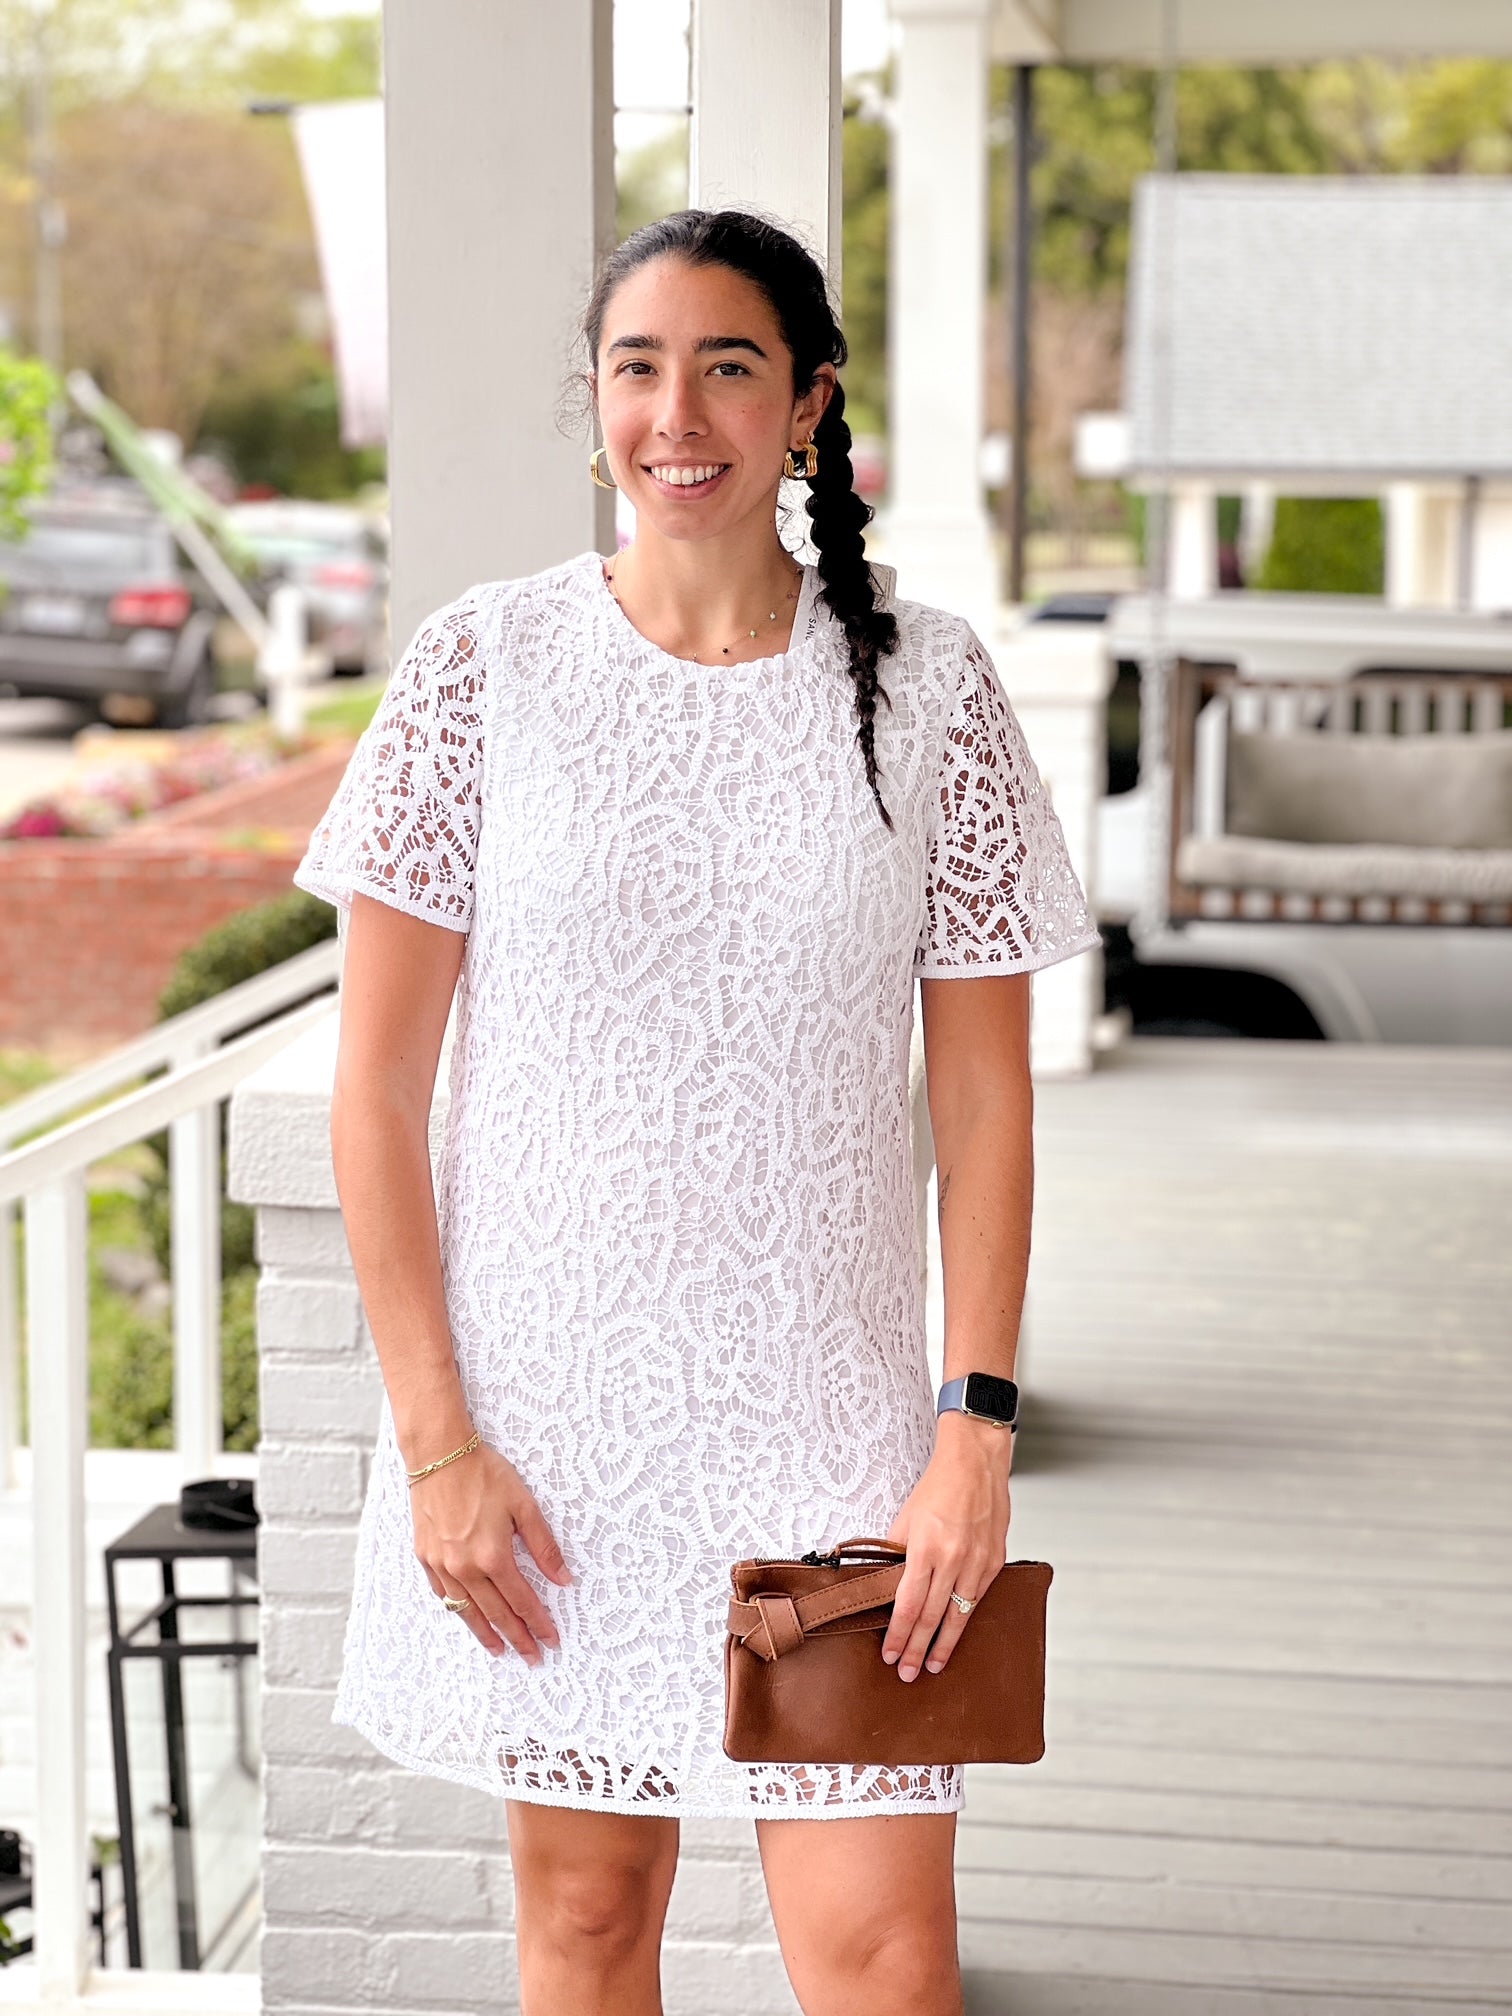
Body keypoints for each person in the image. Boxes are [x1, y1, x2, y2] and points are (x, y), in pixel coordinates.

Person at [292, 207, 1099, 2016]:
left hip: (835, 1425)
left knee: (887, 1958)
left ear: (807, 404)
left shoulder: (932, 687)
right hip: (547, 1435)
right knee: (588, 1926)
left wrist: (974, 1427)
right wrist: (436, 1444)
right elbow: (378, 1095)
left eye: (728, 367)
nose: (678, 413)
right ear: (595, 403)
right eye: (637, 368)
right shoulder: (482, 669)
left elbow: (984, 1107)